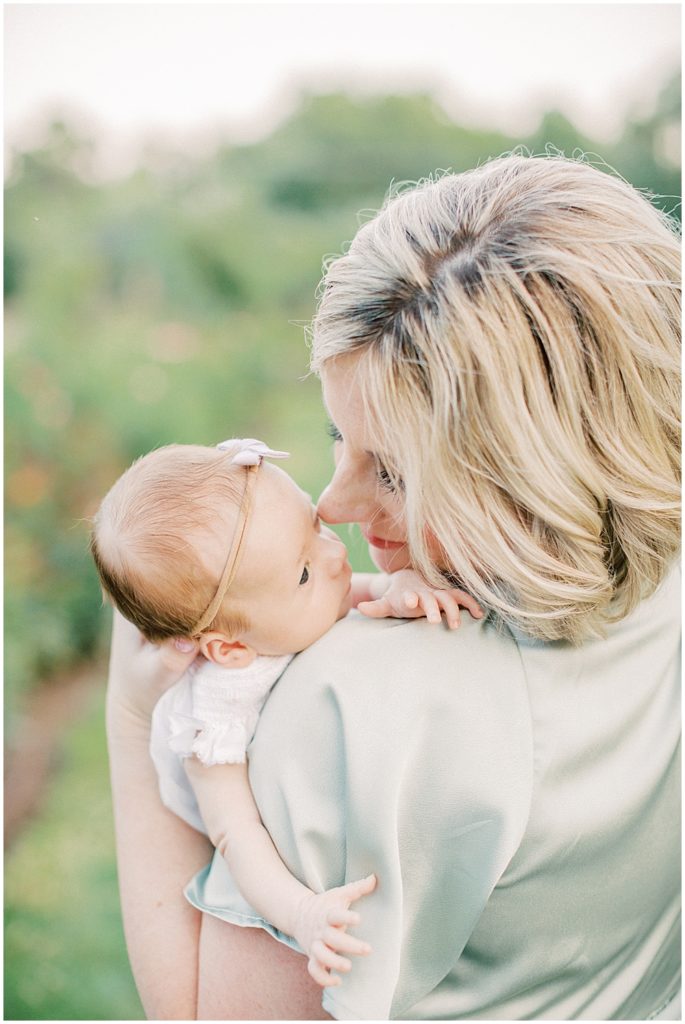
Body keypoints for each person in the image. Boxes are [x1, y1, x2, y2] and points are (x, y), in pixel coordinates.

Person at [105, 154, 680, 1020]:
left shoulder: (348, 710)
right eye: (338, 436)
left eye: (399, 475)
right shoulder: (659, 582)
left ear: (539, 481)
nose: (332, 506)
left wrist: (130, 709)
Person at [92, 437, 481, 990]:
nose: (334, 555)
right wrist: (302, 914)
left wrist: (397, 590)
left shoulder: (279, 608)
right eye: (302, 571)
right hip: (210, 813)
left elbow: (350, 591)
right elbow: (237, 837)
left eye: (314, 527)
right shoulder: (216, 716)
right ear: (230, 649)